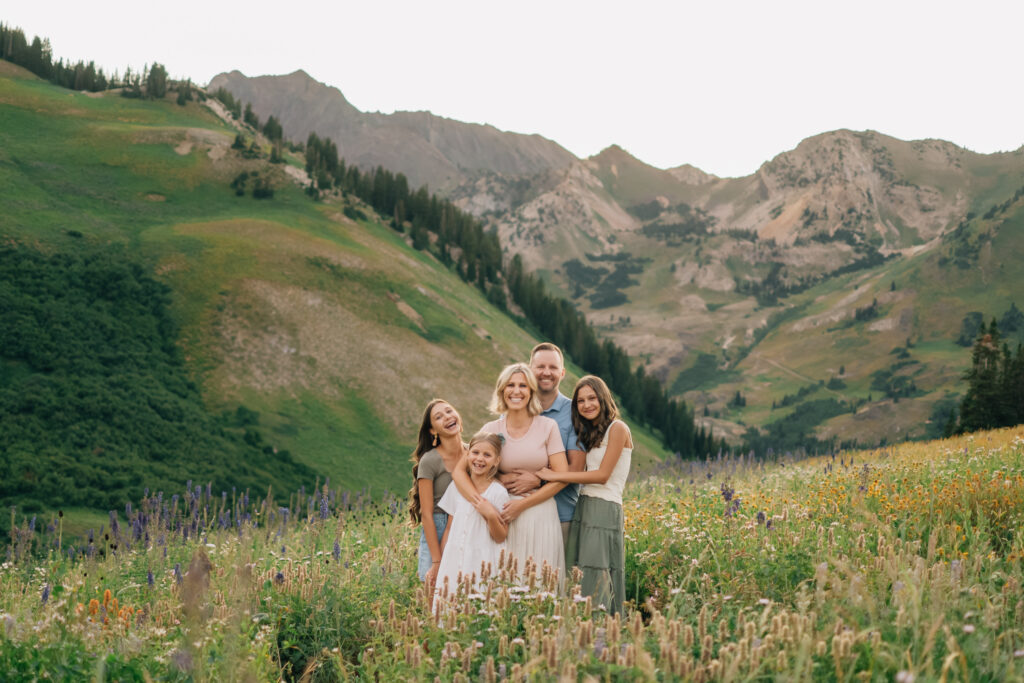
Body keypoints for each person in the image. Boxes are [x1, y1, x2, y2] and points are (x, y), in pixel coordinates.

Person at [453, 363, 568, 580]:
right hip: (502, 516)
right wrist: (482, 503)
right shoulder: (490, 430)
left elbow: (562, 477)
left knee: (540, 582)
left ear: (531, 391)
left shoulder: (547, 426)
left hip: (540, 515)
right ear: (502, 390)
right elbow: (459, 472)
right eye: (510, 385)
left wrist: (522, 504)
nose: (516, 391)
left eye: (523, 386)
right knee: (504, 582)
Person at [539, 375, 632, 615]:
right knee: (579, 570)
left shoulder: (618, 428)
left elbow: (602, 475)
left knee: (597, 571)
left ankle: (600, 627)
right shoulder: (591, 432)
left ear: (603, 398)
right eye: (580, 401)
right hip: (584, 505)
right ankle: (579, 625)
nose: (587, 405)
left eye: (592, 398)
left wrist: (555, 475)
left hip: (604, 507)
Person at [501, 343, 586, 546]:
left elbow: (575, 470)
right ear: (530, 370)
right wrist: (502, 478)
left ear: (562, 373)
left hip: (561, 516)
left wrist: (538, 480)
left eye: (553, 367)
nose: (546, 372)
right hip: (513, 514)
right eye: (540, 367)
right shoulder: (512, 410)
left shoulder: (575, 413)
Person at [434, 432, 509, 603]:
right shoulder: (456, 487)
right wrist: (444, 560)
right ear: (467, 455)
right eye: (475, 452)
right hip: (454, 558)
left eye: (487, 455)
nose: (480, 459)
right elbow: (449, 528)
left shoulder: (498, 493)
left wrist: (491, 515)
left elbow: (500, 537)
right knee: (450, 605)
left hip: (482, 560)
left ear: (496, 461)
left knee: (477, 605)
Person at [407, 399, 465, 597]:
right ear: (433, 431)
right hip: (438, 527)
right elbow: (427, 514)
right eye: (438, 417)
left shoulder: (474, 453)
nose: (447, 417)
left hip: (466, 523)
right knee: (434, 594)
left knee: (462, 592)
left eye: (449, 411)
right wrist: (437, 560)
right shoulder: (430, 460)